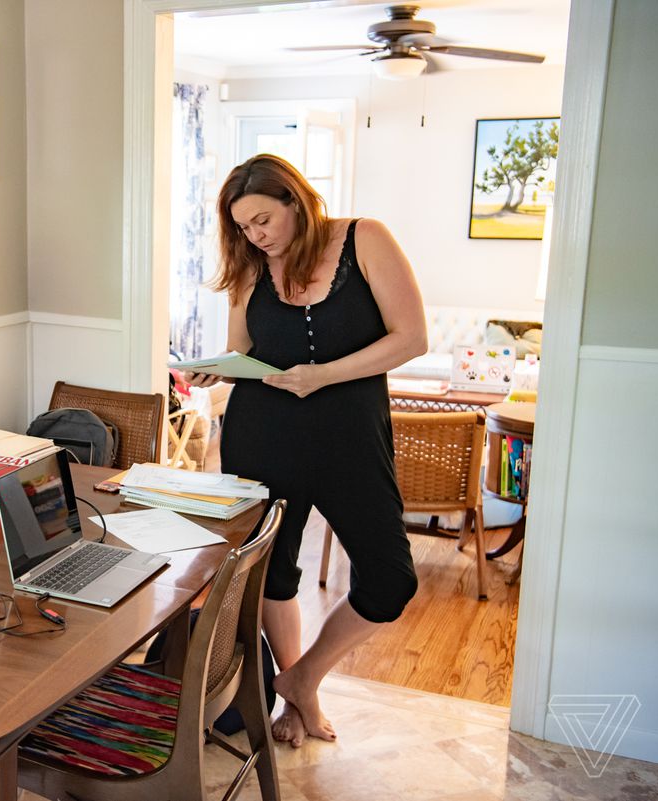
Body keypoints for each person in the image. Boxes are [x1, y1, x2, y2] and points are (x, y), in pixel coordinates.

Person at [184, 154, 427, 748]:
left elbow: (412, 338)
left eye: (264, 219)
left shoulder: (364, 240)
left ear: (296, 200)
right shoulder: (250, 269)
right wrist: (222, 371)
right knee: (274, 574)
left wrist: (324, 375)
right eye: (244, 227)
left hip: (351, 439)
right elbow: (243, 350)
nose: (256, 235)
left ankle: (300, 678)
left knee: (390, 579)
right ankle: (303, 700)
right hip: (263, 437)